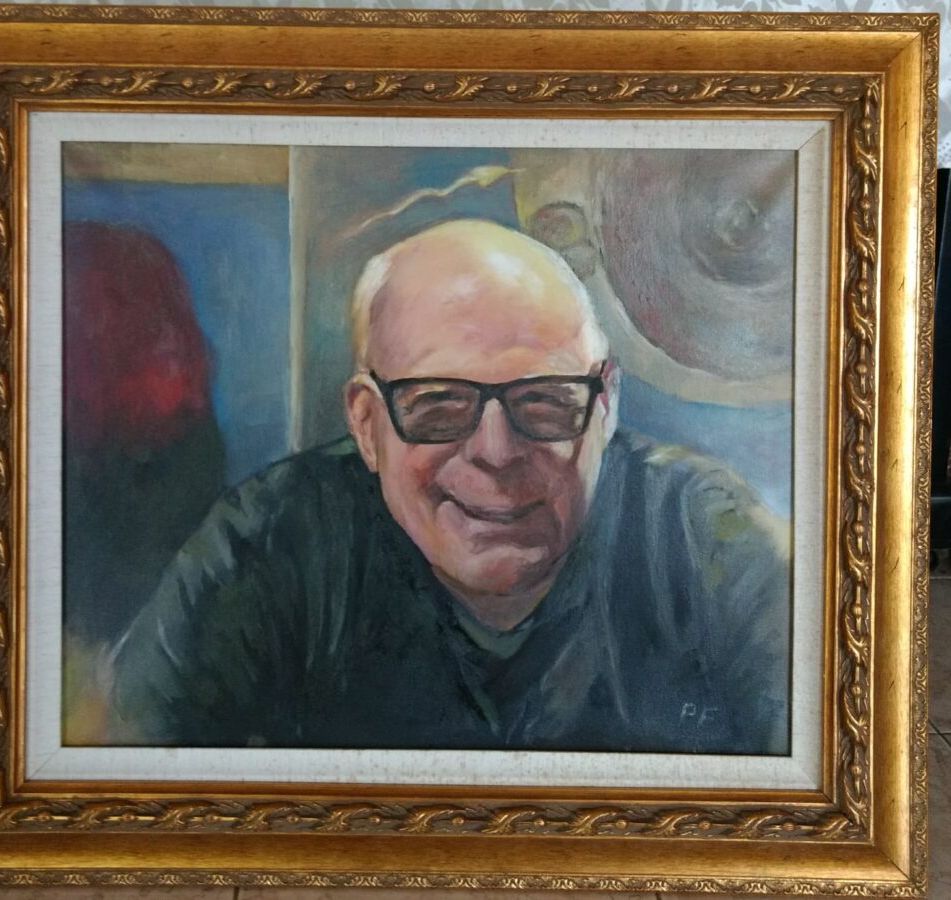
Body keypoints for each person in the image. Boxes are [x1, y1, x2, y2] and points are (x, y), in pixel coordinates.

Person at [110, 219, 791, 754]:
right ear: (367, 424)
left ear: (605, 406)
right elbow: (121, 789)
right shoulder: (266, 544)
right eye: (438, 404)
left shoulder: (708, 541)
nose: (496, 451)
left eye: (544, 401)